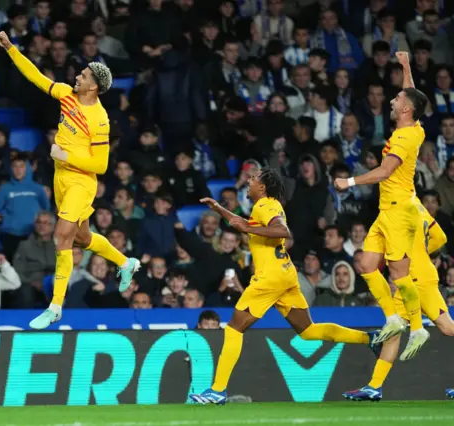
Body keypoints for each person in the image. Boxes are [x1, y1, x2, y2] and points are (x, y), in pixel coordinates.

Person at [190, 168, 379, 405]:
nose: (248, 181)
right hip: (286, 275)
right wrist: (218, 208)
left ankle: (217, 391)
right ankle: (369, 338)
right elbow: (240, 222)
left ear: (263, 187)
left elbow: (282, 231)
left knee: (234, 329)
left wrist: (248, 229)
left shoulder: (264, 206)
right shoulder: (267, 206)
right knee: (308, 331)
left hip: (269, 278)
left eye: (253, 179)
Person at [0, 30, 140, 329]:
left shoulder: (99, 120)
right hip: (61, 179)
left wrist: (65, 157)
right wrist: (11, 49)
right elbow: (35, 77)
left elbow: (100, 164)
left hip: (80, 182)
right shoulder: (66, 94)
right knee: (84, 239)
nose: (77, 77)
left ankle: (56, 306)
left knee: (61, 237)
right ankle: (126, 263)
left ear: (94, 87)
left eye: (84, 75)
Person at [334, 51, 430, 360]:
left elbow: (385, 171)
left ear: (405, 109)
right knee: (365, 264)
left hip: (400, 213)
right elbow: (412, 95)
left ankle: (417, 328)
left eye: (396, 99)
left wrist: (348, 182)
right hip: (388, 211)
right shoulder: (415, 126)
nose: (390, 101)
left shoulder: (403, 139)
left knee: (400, 277)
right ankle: (392, 318)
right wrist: (405, 66)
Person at [343, 205, 454, 401]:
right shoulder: (420, 208)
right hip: (410, 281)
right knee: (393, 332)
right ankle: (374, 387)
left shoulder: (393, 212)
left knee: (447, 327)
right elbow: (441, 238)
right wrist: (421, 252)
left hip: (417, 280)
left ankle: (374, 387)